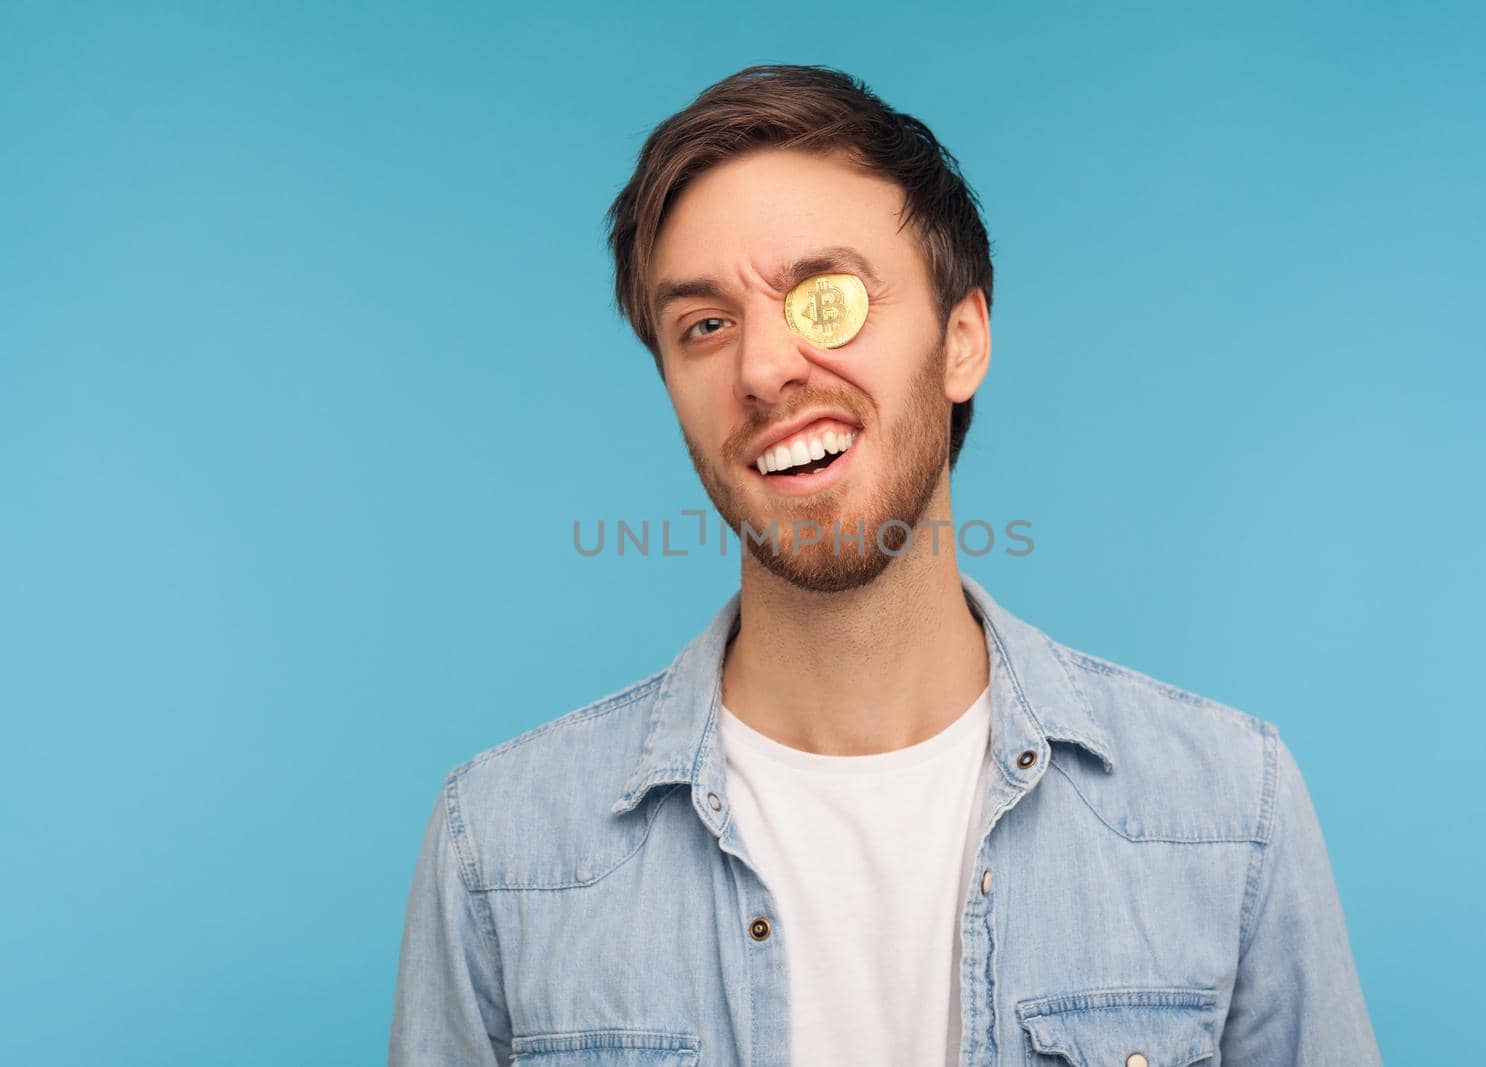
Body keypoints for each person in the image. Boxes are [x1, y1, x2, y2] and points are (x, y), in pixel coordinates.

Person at [388, 64, 1381, 1067]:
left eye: (826, 297)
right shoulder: (499, 847)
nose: (764, 366)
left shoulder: (1227, 808)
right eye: (704, 325)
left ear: (961, 341)